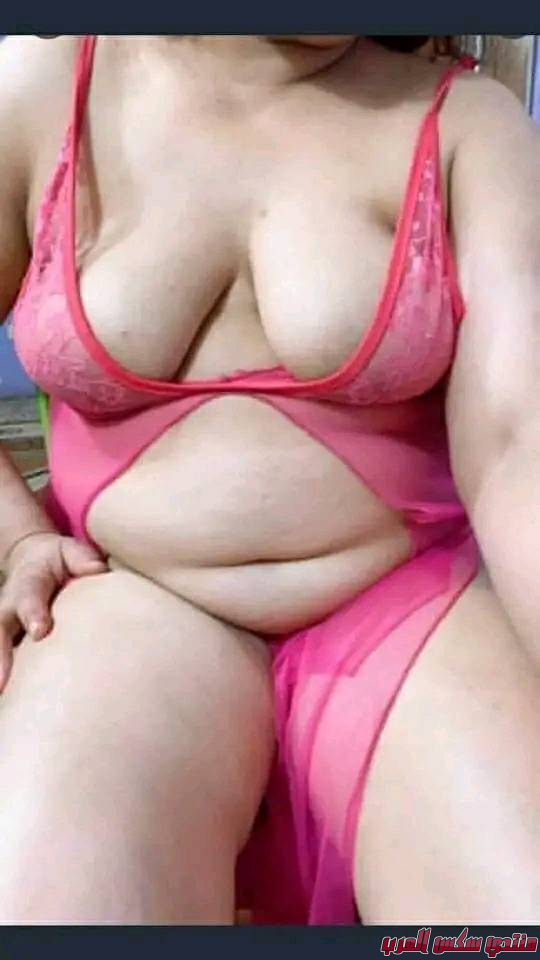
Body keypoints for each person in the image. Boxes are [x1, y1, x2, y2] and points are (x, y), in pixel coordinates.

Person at [0, 34, 538, 925]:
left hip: (407, 603)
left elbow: (519, 441)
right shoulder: (39, 85)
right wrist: (16, 537)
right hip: (132, 592)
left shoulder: (467, 123)